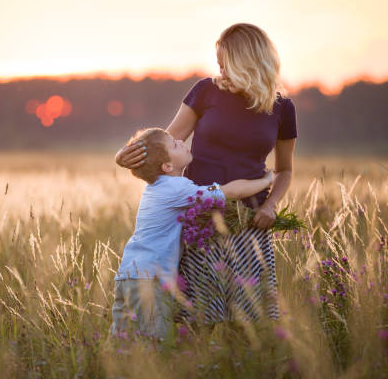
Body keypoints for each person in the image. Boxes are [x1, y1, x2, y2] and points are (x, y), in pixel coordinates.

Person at [115, 23, 297, 323]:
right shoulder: (206, 91)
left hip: (250, 224)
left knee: (251, 319)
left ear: (249, 63)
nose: (221, 71)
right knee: (197, 317)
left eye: (227, 65)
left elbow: (285, 170)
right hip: (200, 221)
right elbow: (166, 143)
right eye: (219, 64)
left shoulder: (282, 108)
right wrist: (126, 155)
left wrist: (270, 205)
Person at [110, 127, 274, 341]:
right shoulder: (176, 188)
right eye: (174, 144)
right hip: (150, 279)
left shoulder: (158, 187)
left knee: (122, 340)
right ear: (167, 166)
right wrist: (267, 180)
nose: (180, 140)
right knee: (155, 342)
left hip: (129, 275)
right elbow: (231, 191)